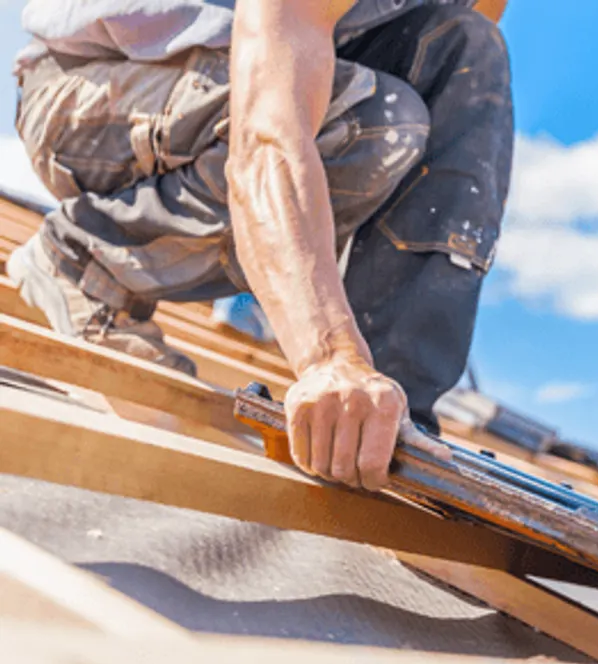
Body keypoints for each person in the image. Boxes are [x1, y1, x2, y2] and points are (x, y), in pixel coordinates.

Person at [5, 0, 513, 490]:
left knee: (469, 49)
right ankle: (86, 258)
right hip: (87, 93)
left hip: (234, 91)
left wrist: (371, 392)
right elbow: (270, 137)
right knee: (379, 123)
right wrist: (328, 356)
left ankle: (384, 416)